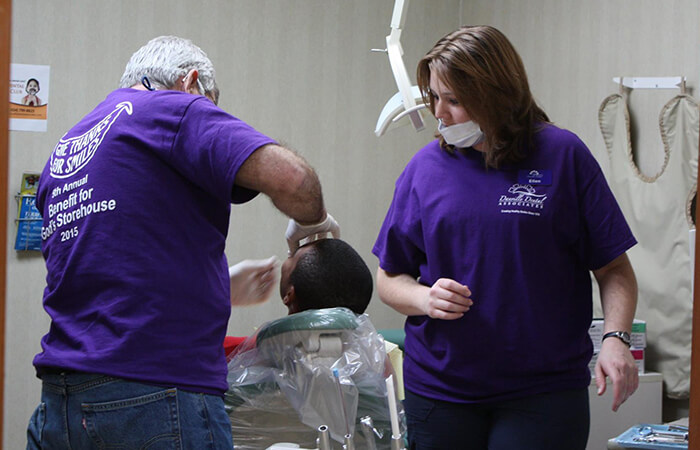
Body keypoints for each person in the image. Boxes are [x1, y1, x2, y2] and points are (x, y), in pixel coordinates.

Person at [26, 35, 339, 450]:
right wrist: (313, 222)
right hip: (153, 398)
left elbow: (105, 271)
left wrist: (220, 285)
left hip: (60, 405)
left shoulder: (67, 150)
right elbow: (294, 180)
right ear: (191, 82)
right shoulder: (174, 107)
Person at [372, 26, 638, 450]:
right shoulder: (424, 170)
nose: (439, 113)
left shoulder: (564, 156)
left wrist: (615, 339)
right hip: (441, 390)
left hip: (543, 393)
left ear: (496, 94)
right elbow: (388, 278)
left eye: (454, 101)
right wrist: (424, 299)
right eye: (434, 97)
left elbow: (614, 268)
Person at [224, 237, 373, 356]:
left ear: (289, 294)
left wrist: (220, 289)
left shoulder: (259, 351)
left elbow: (206, 349)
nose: (289, 254)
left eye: (293, 256)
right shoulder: (373, 355)